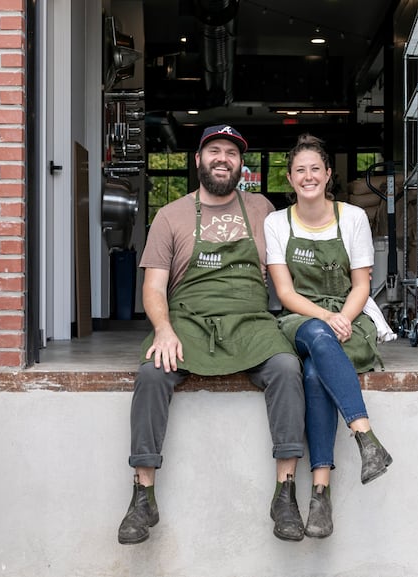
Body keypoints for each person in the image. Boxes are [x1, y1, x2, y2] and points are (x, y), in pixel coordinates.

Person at [118, 125, 307, 545]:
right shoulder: (170, 215)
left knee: (287, 367)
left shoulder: (263, 210)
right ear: (198, 160)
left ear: (241, 165)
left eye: (232, 154)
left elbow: (302, 245)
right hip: (189, 320)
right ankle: (142, 494)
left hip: (250, 320)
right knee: (151, 373)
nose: (223, 159)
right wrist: (163, 329)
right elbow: (153, 288)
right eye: (214, 151)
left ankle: (286, 493)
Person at [264, 133, 395, 539]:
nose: (308, 176)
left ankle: (321, 495)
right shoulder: (277, 222)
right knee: (319, 336)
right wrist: (326, 316)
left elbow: (361, 285)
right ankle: (366, 436)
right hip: (301, 317)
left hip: (351, 312)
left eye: (314, 169)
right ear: (290, 178)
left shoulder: (353, 217)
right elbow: (285, 294)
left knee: (313, 374)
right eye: (300, 170)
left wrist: (343, 317)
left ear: (327, 175)